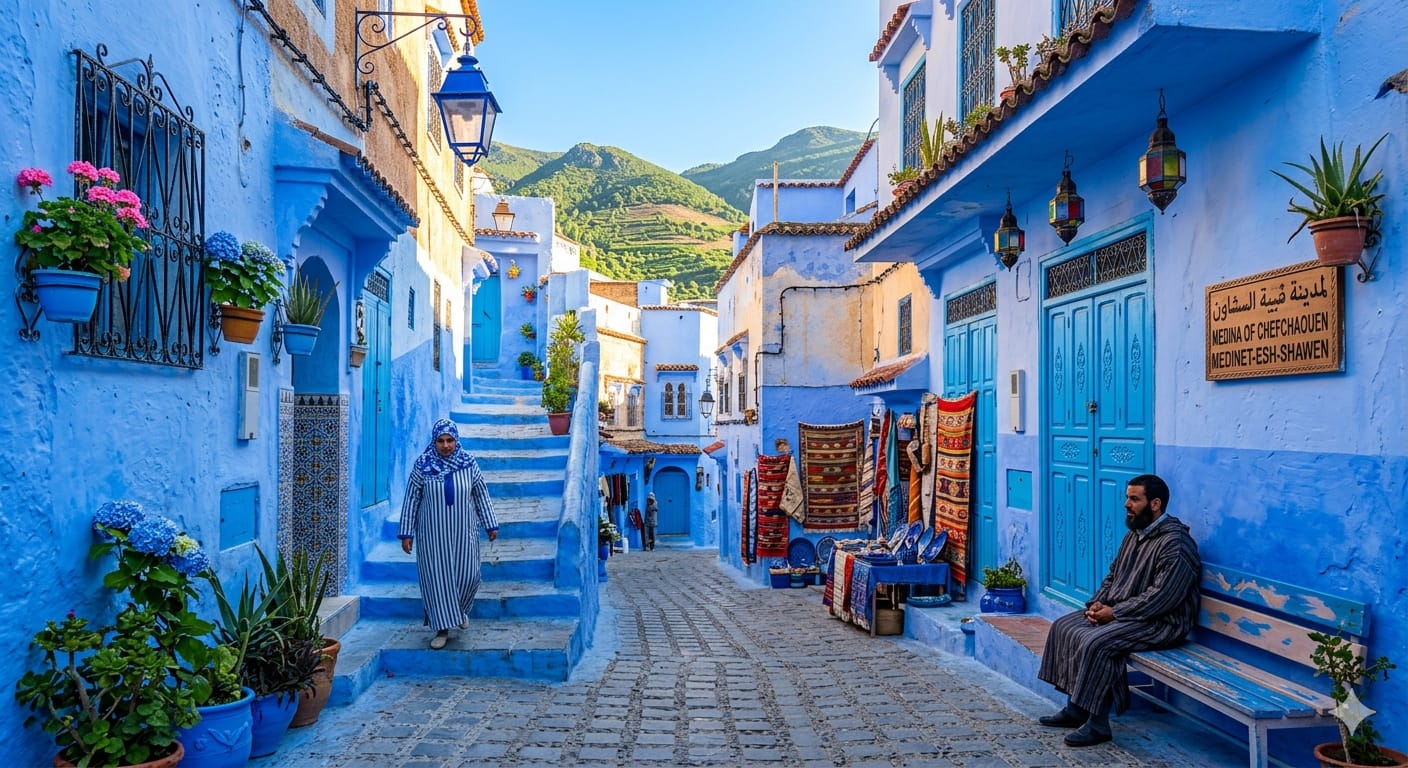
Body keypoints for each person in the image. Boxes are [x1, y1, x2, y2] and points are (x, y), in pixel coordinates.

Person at [1036, 473, 1200, 747]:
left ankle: (1098, 724)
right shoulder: (1134, 535)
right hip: (1128, 613)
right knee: (1065, 626)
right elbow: (1113, 575)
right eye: (1127, 497)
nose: (1126, 504)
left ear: (1155, 504)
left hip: (1163, 622)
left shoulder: (1176, 544)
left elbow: (1162, 597)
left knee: (1098, 643)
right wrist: (1098, 604)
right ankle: (1076, 707)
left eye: (1134, 499)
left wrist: (1115, 613)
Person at [398, 418, 499, 650]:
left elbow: (481, 494)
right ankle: (442, 629)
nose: (445, 445)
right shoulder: (422, 465)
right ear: (434, 442)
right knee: (438, 581)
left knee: (470, 575)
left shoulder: (468, 463)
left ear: (456, 440)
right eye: (441, 441)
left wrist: (490, 524)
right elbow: (412, 498)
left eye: (450, 440)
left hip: (464, 532)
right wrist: (407, 533)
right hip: (432, 535)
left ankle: (459, 610)